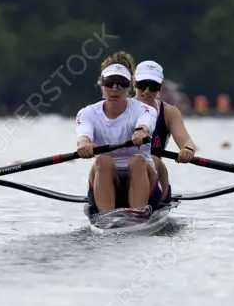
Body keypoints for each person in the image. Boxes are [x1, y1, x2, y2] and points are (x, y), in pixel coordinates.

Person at [76, 52, 163, 215]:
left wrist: (141, 132)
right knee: (103, 161)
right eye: (110, 83)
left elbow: (146, 123)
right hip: (105, 178)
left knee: (137, 161)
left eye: (121, 83)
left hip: (144, 179)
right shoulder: (87, 113)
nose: (115, 89)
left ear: (129, 86)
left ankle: (137, 214)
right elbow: (83, 136)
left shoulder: (145, 109)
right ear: (102, 85)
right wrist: (85, 144)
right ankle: (106, 217)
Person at [131, 60, 197, 203]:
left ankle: (143, 205)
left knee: (152, 160)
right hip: (125, 174)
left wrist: (187, 149)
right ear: (134, 82)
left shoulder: (169, 112)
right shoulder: (122, 108)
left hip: (155, 177)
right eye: (142, 85)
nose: (147, 91)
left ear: (160, 87)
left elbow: (186, 140)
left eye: (153, 86)